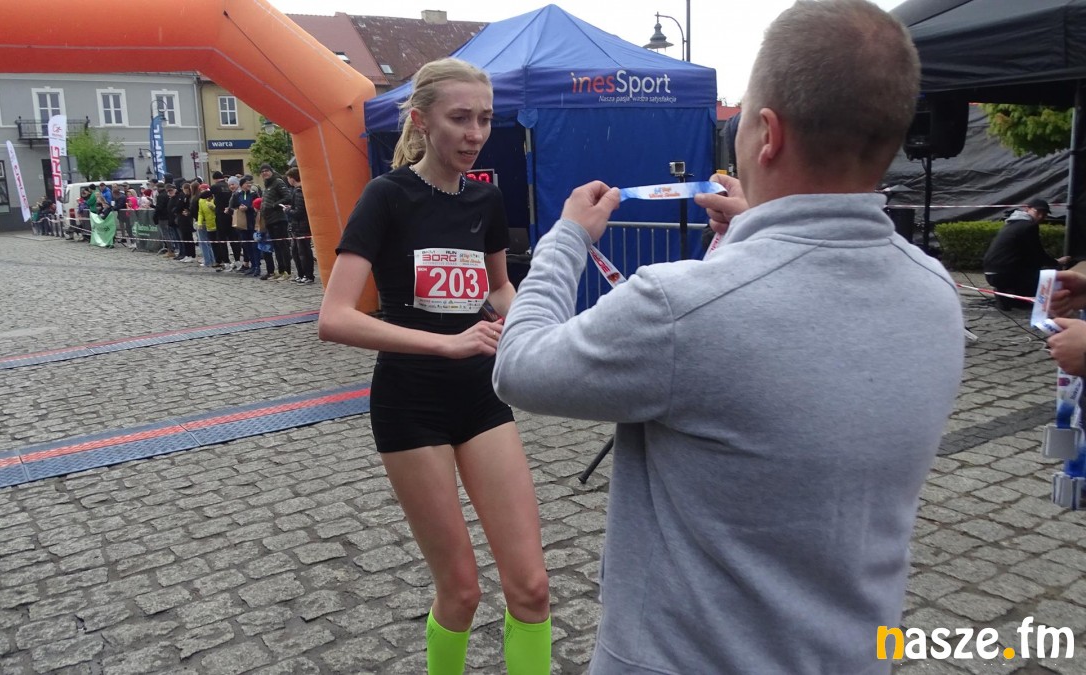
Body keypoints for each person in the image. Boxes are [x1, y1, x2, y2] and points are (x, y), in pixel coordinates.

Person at [492, 2, 965, 673]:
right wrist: (748, 238)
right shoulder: (935, 290)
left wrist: (565, 239)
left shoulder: (678, 305)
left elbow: (518, 364)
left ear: (767, 134)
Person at [318, 57, 551, 675]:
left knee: (531, 587)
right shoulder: (387, 196)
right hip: (411, 403)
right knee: (462, 590)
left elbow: (498, 289)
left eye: (485, 119)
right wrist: (443, 343)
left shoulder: (485, 198)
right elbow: (334, 318)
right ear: (421, 121)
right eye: (460, 119)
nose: (475, 134)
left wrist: (540, 328)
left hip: (480, 396)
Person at [982, 198, 1067, 309]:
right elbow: (1038, 253)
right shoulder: (1029, 226)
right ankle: (1018, 298)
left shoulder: (1011, 224)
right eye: (1038, 212)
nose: (1041, 216)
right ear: (1027, 209)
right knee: (1045, 276)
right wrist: (1057, 262)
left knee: (1029, 265)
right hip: (1004, 274)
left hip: (991, 271)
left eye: (1044, 214)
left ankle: (1007, 296)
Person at [260, 162, 293, 280]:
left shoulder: (278, 182)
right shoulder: (267, 184)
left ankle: (287, 271)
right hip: (269, 219)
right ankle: (280, 270)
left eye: (266, 171)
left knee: (282, 245)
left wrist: (275, 205)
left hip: (279, 218)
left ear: (271, 171)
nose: (265, 173)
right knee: (276, 247)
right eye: (262, 172)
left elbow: (288, 197)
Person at [284, 167, 315, 283]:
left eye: (288, 178)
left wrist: (288, 211)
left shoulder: (299, 192)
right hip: (297, 227)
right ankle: (301, 274)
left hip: (301, 227)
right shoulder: (297, 191)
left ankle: (308, 275)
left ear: (292, 178)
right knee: (296, 252)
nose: (288, 180)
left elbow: (299, 212)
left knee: (303, 253)